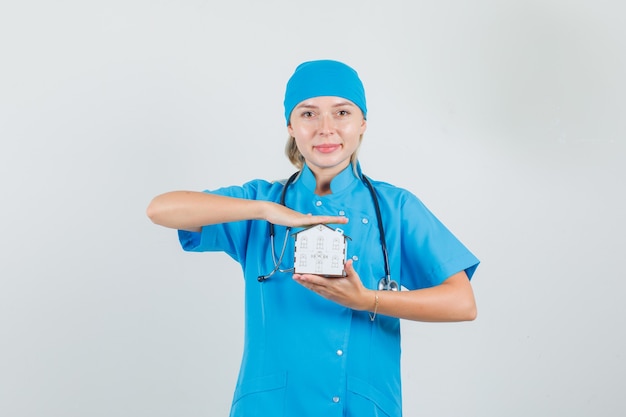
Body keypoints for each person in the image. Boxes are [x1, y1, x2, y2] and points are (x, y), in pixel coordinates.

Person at [146, 59, 479, 417]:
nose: (325, 129)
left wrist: (367, 300)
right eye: (308, 114)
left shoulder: (395, 208)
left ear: (362, 122)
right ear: (290, 125)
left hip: (362, 405)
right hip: (270, 406)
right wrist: (265, 211)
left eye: (341, 112)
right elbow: (161, 209)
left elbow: (462, 303)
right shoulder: (259, 202)